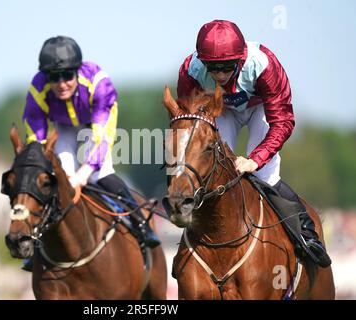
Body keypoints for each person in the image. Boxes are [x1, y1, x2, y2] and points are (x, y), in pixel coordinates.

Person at [177, 20, 331, 268]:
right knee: (211, 170)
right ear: (202, 61)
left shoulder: (264, 64)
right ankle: (189, 240)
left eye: (227, 67)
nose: (219, 75)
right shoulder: (190, 70)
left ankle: (306, 233)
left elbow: (282, 121)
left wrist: (255, 159)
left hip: (261, 109)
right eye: (213, 67)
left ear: (240, 59)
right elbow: (188, 119)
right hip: (221, 110)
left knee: (265, 175)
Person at [21, 36, 160, 270]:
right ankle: (39, 243)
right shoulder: (37, 88)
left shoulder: (98, 82)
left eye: (67, 75)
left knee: (100, 173)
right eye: (54, 77)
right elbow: (37, 139)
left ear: (77, 71)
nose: (62, 83)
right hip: (63, 126)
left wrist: (83, 174)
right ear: (46, 76)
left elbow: (100, 140)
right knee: (58, 180)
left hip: (96, 126)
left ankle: (140, 223)